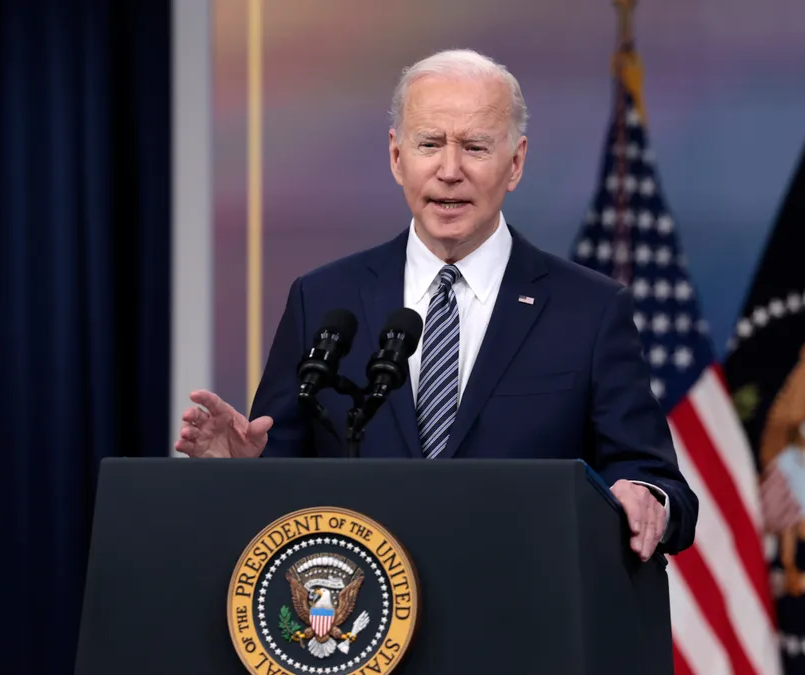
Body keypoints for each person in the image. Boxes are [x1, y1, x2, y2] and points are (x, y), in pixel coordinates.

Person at [176, 48, 698, 561]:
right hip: (362, 629)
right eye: (429, 144)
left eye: (475, 147)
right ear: (396, 157)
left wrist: (645, 496)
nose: (450, 170)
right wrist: (238, 472)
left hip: (527, 621)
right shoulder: (324, 299)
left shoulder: (590, 310)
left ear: (515, 163)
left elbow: (656, 479)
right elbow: (284, 486)